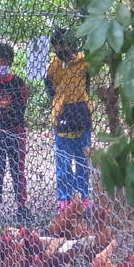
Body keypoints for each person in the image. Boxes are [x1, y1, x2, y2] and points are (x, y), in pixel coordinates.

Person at [0, 43, 29, 220]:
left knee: (18, 170)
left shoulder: (18, 82)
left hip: (16, 132)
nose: (0, 65)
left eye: (3, 61)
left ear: (10, 62)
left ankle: (22, 207)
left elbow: (23, 104)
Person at [45, 27, 92, 208]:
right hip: (62, 117)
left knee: (82, 160)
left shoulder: (84, 62)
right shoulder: (53, 65)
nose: (61, 48)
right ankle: (64, 200)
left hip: (82, 116)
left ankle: (83, 197)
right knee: (63, 162)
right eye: (57, 45)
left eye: (63, 44)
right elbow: (50, 89)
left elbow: (87, 85)